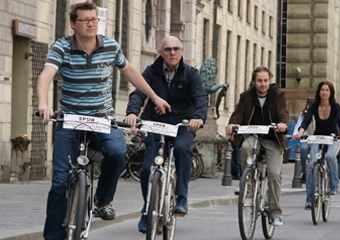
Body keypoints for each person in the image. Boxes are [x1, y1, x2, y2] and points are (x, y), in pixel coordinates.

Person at [37, 2, 170, 240]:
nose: (91, 23)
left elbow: (131, 73)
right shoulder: (62, 47)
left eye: (94, 19)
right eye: (85, 20)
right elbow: (46, 74)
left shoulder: (110, 45)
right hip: (70, 119)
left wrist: (154, 96)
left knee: (118, 152)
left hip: (101, 119)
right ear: (73, 24)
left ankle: (102, 199)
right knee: (59, 183)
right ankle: (53, 236)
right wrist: (44, 104)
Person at [125, 36, 208, 233]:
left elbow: (200, 98)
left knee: (182, 148)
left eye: (176, 49)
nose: (172, 53)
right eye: (168, 49)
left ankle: (181, 197)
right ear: (160, 52)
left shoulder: (191, 74)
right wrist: (132, 112)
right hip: (156, 124)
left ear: (182, 51)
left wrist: (198, 118)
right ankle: (147, 209)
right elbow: (138, 93)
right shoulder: (151, 72)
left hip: (182, 125)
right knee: (146, 169)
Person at [226, 66, 289, 227]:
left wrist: (282, 124)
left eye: (265, 81)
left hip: (272, 139)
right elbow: (238, 113)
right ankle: (247, 183)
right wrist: (232, 123)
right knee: (245, 148)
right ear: (254, 82)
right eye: (259, 81)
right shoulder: (246, 96)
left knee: (274, 173)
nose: (262, 84)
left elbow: (283, 112)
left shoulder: (278, 96)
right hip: (252, 136)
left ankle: (274, 212)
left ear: (270, 81)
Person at [293, 81, 340, 210]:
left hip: (333, 137)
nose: (324, 92)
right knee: (311, 164)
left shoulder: (336, 107)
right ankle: (309, 199)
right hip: (317, 137)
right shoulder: (314, 106)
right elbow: (306, 121)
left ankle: (334, 185)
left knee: (329, 157)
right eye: (322, 90)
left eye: (327, 90)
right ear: (319, 92)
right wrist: (300, 132)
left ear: (331, 93)